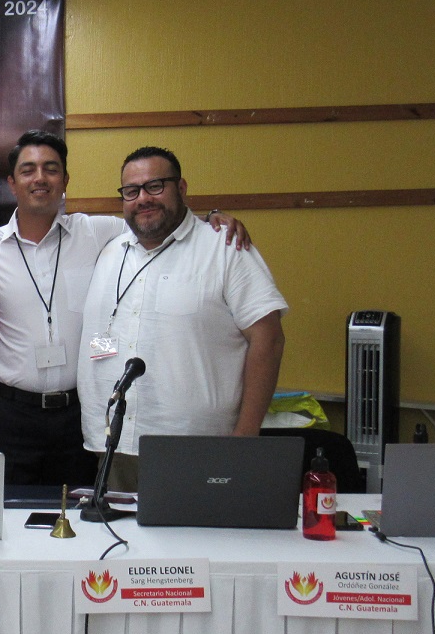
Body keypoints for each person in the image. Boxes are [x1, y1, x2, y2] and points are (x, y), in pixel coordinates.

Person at [0, 131, 251, 487]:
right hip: (11, 413)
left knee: (81, 512)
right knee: (6, 511)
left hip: (77, 416)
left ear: (65, 180)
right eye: (28, 170)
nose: (40, 178)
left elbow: (158, 220)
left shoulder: (101, 232)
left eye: (51, 169)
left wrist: (211, 218)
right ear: (12, 183)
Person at [77, 146, 287, 492]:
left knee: (198, 529)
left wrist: (246, 436)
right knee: (118, 529)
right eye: (131, 191)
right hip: (114, 445)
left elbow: (269, 338)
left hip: (196, 447)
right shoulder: (110, 250)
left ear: (182, 188)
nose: (143, 198)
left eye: (155, 186)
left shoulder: (224, 248)